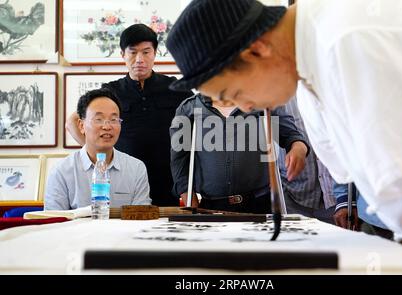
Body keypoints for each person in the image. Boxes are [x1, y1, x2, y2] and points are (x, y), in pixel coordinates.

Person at [166, 0, 402, 255]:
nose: (246, 107)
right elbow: (352, 170)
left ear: (256, 50)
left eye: (235, 92)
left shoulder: (349, 38)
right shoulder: (306, 75)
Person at [66, 24, 193, 206]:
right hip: (123, 180)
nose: (139, 59)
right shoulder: (110, 91)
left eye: (146, 52)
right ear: (123, 55)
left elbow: (199, 126)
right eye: (132, 52)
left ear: (155, 53)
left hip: (167, 181)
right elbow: (72, 121)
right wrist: (98, 154)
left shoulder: (176, 88)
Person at [170, 93, 308, 213]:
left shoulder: (262, 102)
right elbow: (179, 163)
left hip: (259, 203)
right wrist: (192, 206)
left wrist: (298, 148)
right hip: (211, 207)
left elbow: (292, 136)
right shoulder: (188, 108)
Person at [45, 88, 151, 210]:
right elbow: (54, 222)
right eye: (98, 119)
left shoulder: (136, 168)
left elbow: (140, 220)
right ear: (81, 126)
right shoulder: (61, 171)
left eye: (113, 120)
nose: (107, 126)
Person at [277, 96, 335, 224]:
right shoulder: (280, 93)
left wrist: (346, 200)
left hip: (334, 195)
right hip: (292, 195)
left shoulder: (330, 90)